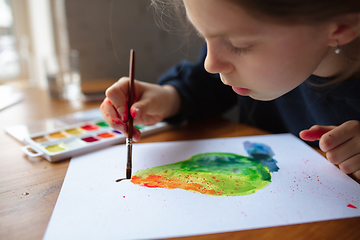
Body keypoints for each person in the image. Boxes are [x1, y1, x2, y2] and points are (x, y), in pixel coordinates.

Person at [100, 0, 360, 179]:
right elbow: (209, 84)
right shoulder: (255, 69)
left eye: (238, 44)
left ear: (339, 28)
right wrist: (170, 97)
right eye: (205, 36)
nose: (211, 63)